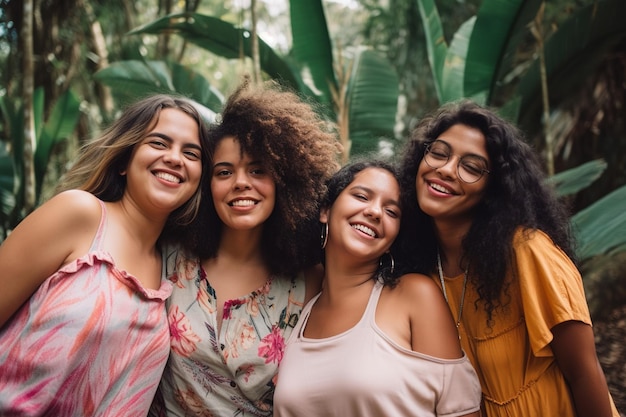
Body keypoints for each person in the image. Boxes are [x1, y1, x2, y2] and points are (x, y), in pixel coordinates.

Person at [398, 100, 620, 417]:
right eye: (439, 152)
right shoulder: (419, 269)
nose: (446, 170)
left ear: (492, 190)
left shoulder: (527, 252)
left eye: (471, 167)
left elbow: (584, 374)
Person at [0, 94, 209, 416]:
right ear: (125, 159)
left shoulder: (174, 265)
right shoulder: (78, 214)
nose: (175, 158)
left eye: (191, 153)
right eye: (159, 143)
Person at [152, 79, 341, 416]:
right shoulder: (170, 256)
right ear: (207, 183)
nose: (241, 182)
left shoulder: (311, 280)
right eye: (224, 171)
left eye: (257, 170)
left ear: (285, 181)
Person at [273, 160, 482, 417]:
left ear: (394, 240)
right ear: (325, 210)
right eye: (362, 196)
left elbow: (462, 410)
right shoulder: (302, 310)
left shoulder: (414, 295)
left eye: (392, 212)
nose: (375, 212)